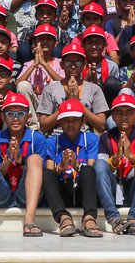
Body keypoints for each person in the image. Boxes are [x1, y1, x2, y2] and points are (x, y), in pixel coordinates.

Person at [95, 93, 135, 235]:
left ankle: (134, 218)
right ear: (113, 117)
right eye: (119, 112)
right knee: (99, 165)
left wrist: (130, 156)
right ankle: (113, 218)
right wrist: (116, 157)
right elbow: (102, 169)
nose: (124, 116)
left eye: (129, 112)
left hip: (134, 186)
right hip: (113, 186)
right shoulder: (106, 137)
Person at [41, 99, 103, 237]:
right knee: (45, 173)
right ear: (59, 122)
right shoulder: (52, 141)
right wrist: (62, 167)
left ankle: (89, 218)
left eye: (75, 120)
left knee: (87, 169)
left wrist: (76, 165)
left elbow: (91, 169)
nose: (70, 124)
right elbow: (51, 172)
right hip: (63, 189)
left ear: (83, 122)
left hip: (83, 191)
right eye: (66, 120)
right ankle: (63, 217)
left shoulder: (90, 138)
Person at [0, 92, 46, 237]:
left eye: (20, 114)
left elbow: (41, 175)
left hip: (26, 195)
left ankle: (30, 219)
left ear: (28, 117)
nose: (15, 118)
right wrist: (7, 161)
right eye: (10, 114)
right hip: (3, 194)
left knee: (35, 159)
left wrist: (20, 161)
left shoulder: (37, 138)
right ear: (3, 117)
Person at [37, 41, 109, 134]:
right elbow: (43, 126)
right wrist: (66, 104)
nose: (73, 67)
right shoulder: (51, 89)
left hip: (84, 137)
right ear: (62, 65)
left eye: (78, 63)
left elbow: (101, 126)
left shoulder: (94, 89)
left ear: (84, 65)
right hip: (58, 136)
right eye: (68, 63)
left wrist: (77, 103)